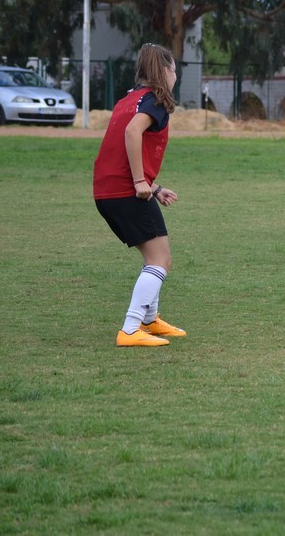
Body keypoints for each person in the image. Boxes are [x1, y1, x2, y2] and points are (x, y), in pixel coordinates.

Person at [93, 43, 186, 347]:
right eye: (174, 71)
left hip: (106, 189)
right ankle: (131, 329)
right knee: (160, 260)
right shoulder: (156, 100)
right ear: (165, 71)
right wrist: (138, 181)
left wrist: (153, 187)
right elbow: (132, 133)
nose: (175, 77)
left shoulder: (128, 99)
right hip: (125, 190)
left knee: (153, 257)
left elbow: (124, 148)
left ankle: (149, 319)